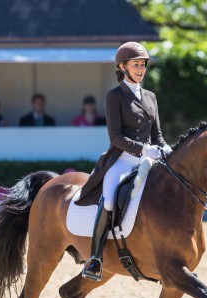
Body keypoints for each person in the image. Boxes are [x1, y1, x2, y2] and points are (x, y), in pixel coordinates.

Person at [74, 41, 171, 281]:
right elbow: (115, 137)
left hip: (149, 159)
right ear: (122, 67)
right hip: (123, 160)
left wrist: (165, 147)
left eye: (143, 65)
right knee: (108, 199)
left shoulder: (150, 96)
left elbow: (157, 133)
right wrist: (143, 149)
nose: (140, 68)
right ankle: (95, 258)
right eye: (136, 64)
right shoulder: (114, 96)